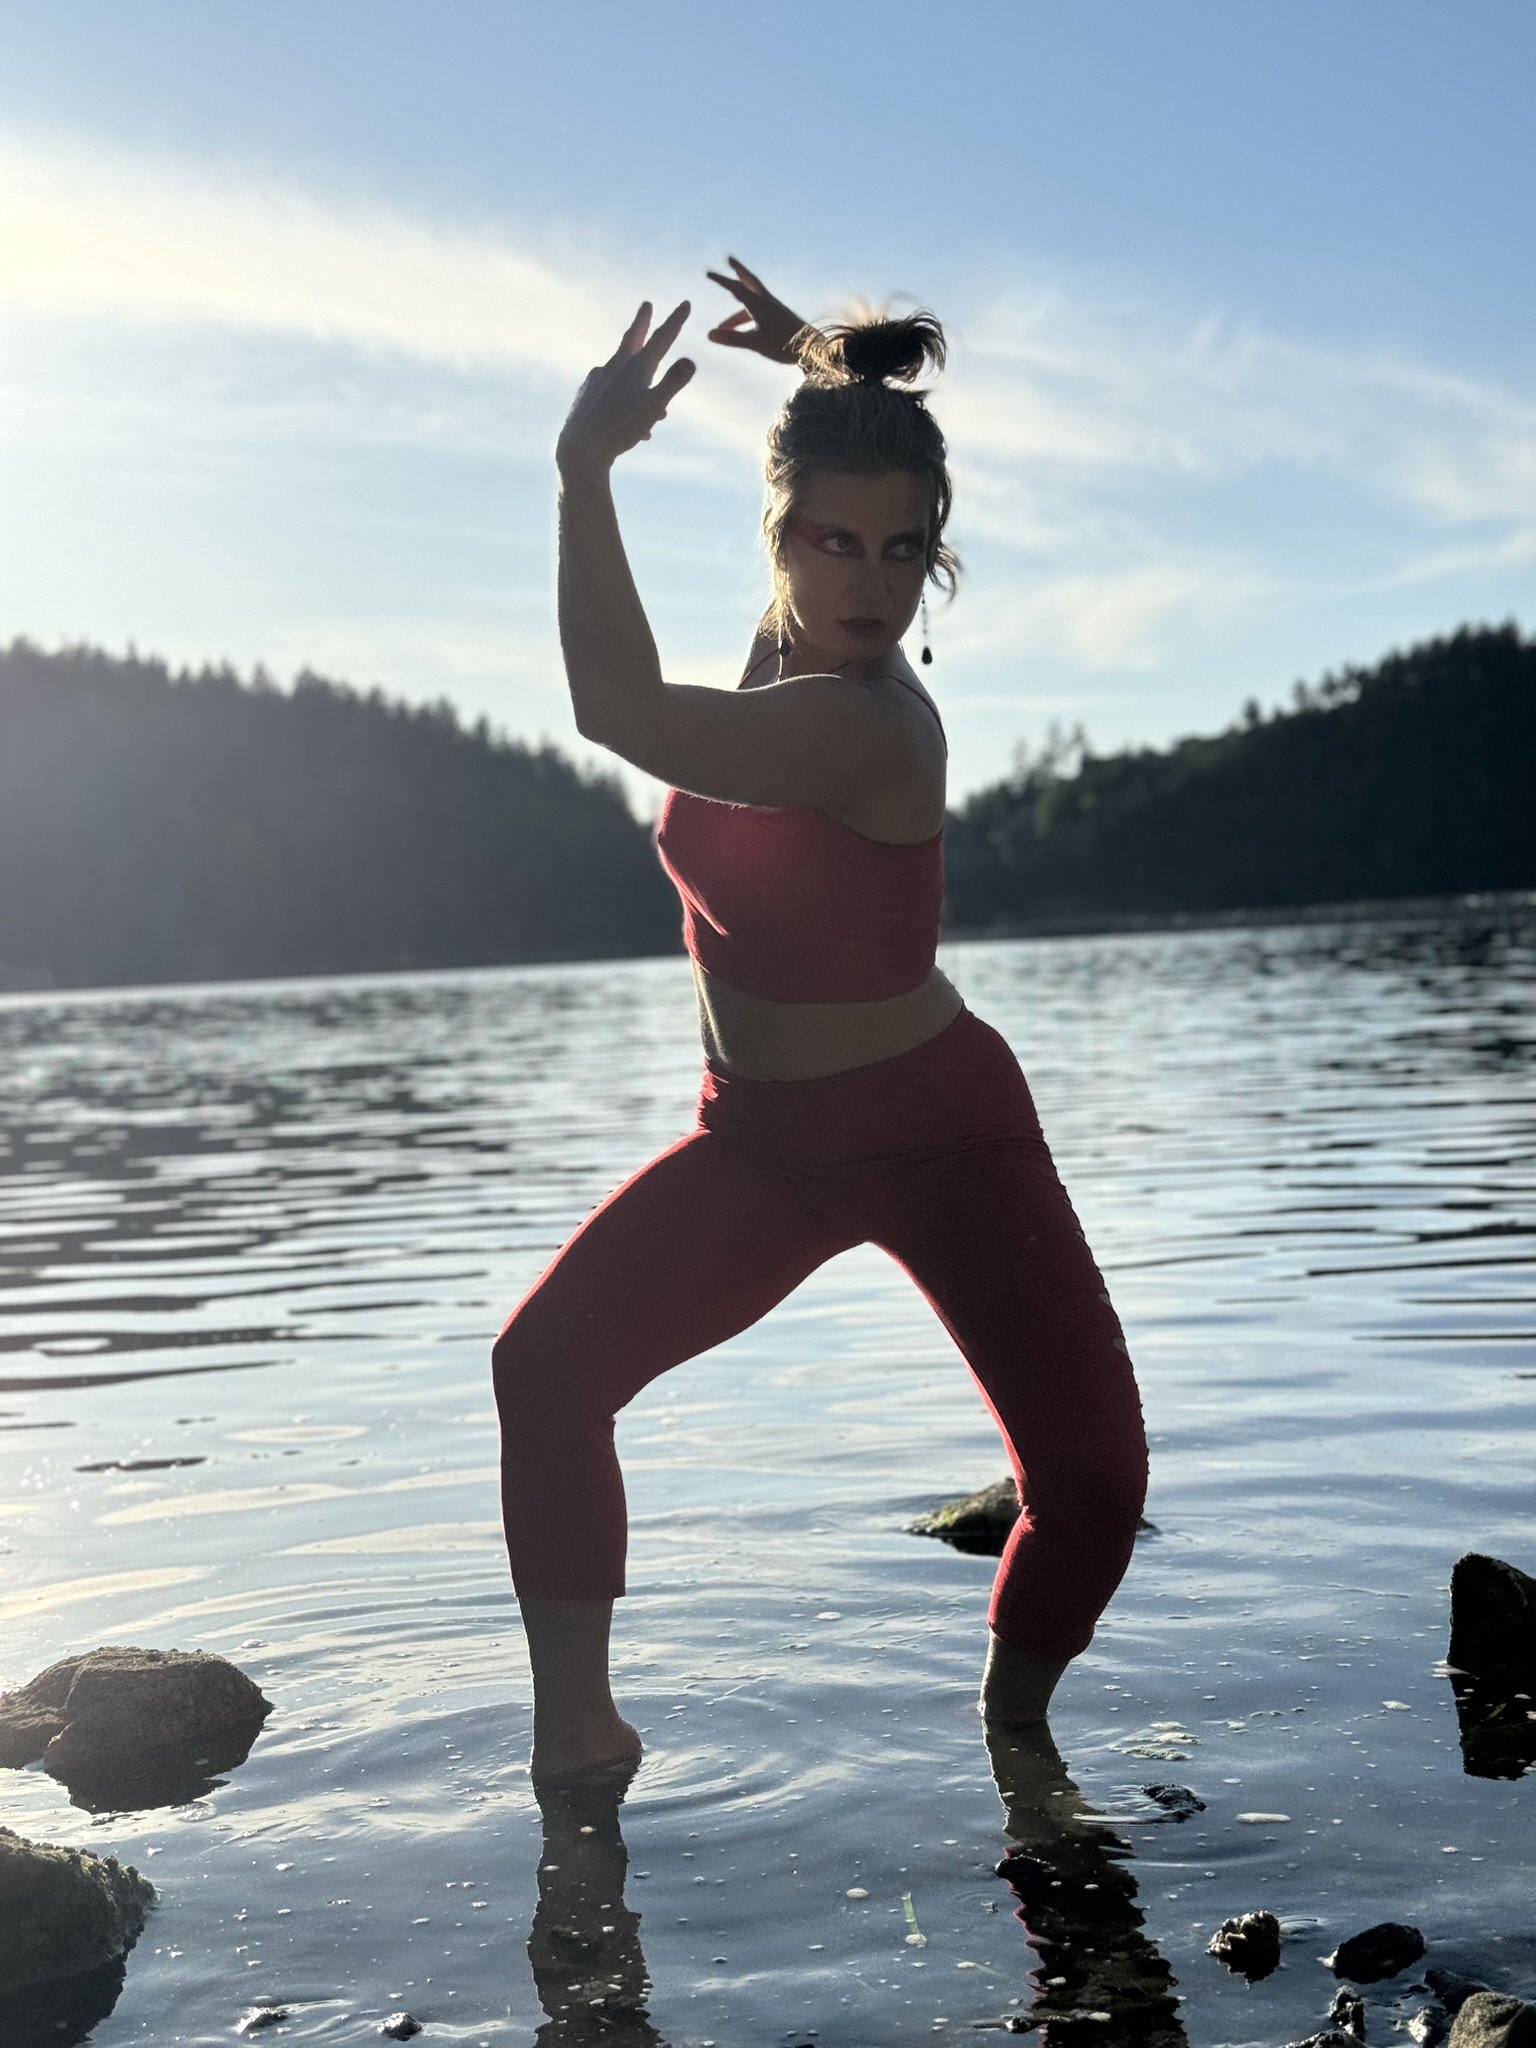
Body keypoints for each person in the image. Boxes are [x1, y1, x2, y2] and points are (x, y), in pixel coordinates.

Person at [492, 257, 1148, 1786]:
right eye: (834, 541)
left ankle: (1022, 1759)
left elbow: (615, 710)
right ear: (778, 537)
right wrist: (817, 362)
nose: (869, 583)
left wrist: (583, 473)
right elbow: (824, 493)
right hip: (766, 1144)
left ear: (938, 562)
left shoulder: (865, 721)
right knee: (547, 1371)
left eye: (906, 553)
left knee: (1095, 1483)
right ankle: (577, 1741)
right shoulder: (794, 638)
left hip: (940, 1131)